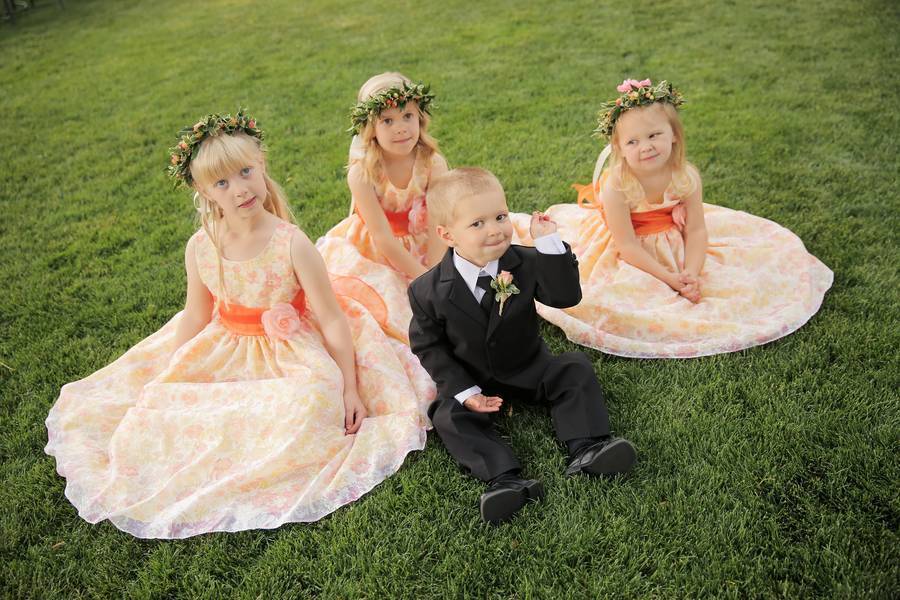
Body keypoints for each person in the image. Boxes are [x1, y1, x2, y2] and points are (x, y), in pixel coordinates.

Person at [44, 110, 434, 539]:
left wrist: (349, 386)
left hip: (290, 351)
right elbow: (196, 314)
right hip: (226, 346)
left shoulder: (292, 243)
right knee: (160, 414)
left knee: (310, 405)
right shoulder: (202, 246)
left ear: (261, 165)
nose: (240, 189)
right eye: (222, 183)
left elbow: (331, 318)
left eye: (246, 172)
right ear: (203, 191)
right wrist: (171, 368)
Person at [512, 79, 833, 358]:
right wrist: (670, 278)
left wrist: (692, 272)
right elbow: (627, 246)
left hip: (672, 236)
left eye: (654, 135)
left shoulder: (685, 176)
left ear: (674, 135)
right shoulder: (617, 185)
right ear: (619, 148)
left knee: (743, 280)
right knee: (623, 299)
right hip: (629, 248)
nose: (646, 147)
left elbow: (696, 230)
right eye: (633, 141)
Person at [408, 167, 636, 524]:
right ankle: (505, 480)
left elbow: (565, 297)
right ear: (446, 234)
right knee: (446, 414)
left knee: (574, 367)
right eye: (477, 223)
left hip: (530, 366)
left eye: (500, 217)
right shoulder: (427, 290)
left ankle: (587, 447)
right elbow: (429, 346)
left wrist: (548, 244)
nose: (495, 229)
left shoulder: (526, 261)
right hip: (475, 380)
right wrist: (466, 392)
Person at [317, 72, 449, 342]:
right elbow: (383, 239)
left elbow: (439, 222)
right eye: (387, 121)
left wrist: (435, 272)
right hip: (379, 250)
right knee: (390, 303)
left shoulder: (432, 163)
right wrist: (422, 277)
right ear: (370, 128)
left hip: (430, 239)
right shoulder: (362, 174)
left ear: (420, 117)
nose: (400, 128)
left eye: (407, 116)